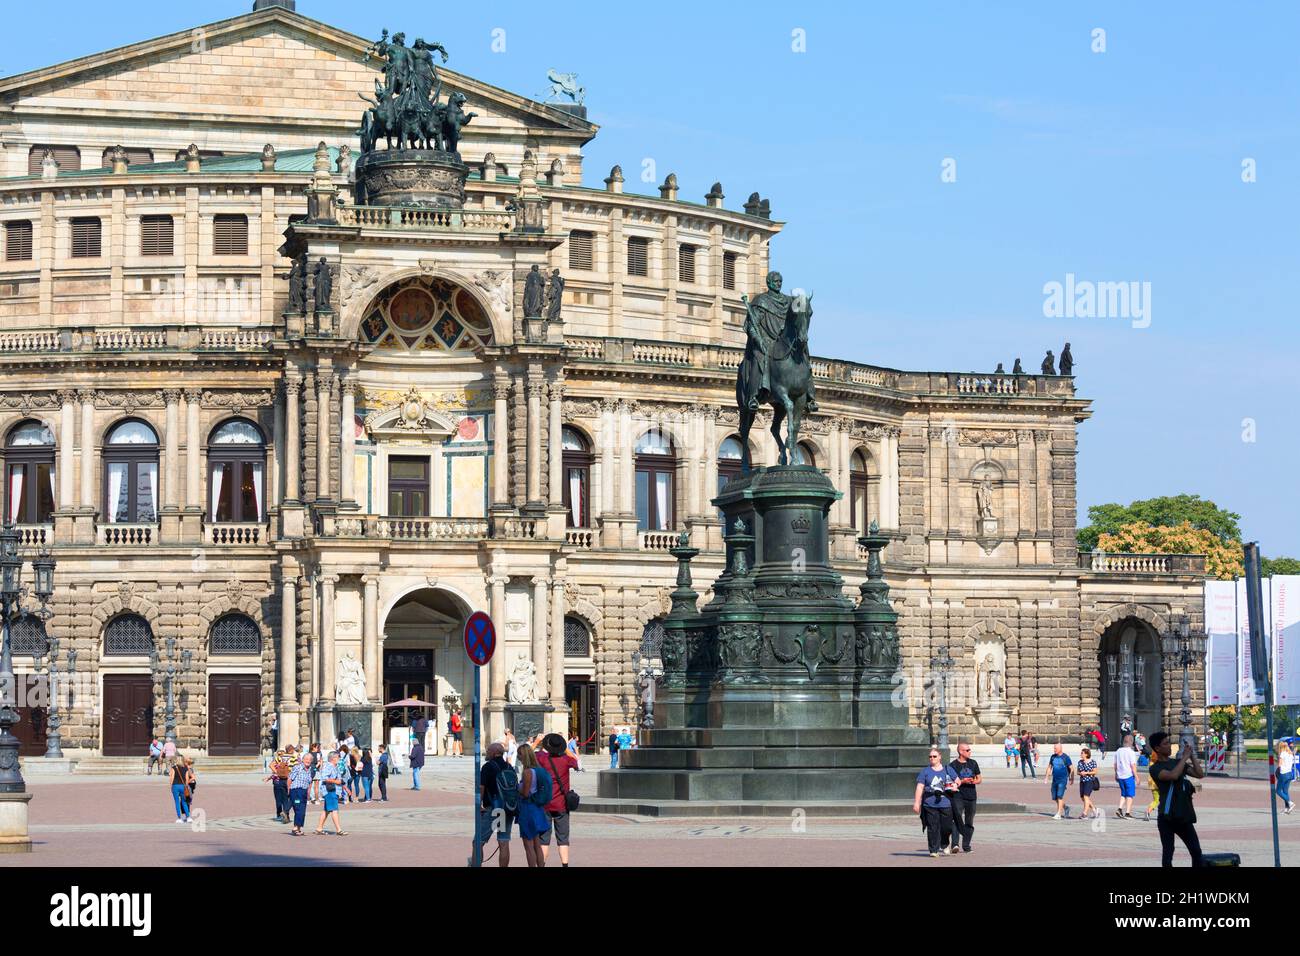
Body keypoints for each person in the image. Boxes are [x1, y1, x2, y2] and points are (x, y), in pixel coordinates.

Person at [1149, 731, 1205, 866]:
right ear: (1157, 748)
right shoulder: (1155, 768)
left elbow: (1199, 774)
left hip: (1183, 814)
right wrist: (1185, 758)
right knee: (1168, 852)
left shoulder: (1177, 762)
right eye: (1166, 744)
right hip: (1167, 817)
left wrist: (1191, 756)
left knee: (1196, 851)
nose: (1169, 746)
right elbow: (1172, 776)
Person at [538, 733, 579, 867]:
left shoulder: (542, 758)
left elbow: (529, 756)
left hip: (545, 804)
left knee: (543, 839)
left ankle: (541, 864)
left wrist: (538, 742)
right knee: (563, 839)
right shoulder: (566, 760)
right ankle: (565, 865)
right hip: (562, 804)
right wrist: (566, 748)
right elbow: (577, 761)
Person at [913, 746, 959, 857]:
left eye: (934, 756)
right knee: (933, 827)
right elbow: (920, 787)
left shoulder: (948, 769)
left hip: (945, 802)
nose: (932, 758)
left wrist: (955, 785)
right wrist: (916, 802)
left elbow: (957, 781)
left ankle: (944, 843)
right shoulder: (925, 771)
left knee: (946, 827)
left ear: (940, 757)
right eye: (930, 756)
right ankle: (933, 850)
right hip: (929, 803)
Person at [479, 741, 518, 866]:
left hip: (494, 809)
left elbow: (481, 787)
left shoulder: (488, 767)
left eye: (489, 751)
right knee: (503, 842)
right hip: (507, 808)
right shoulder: (509, 767)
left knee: (478, 842)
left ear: (494, 753)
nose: (487, 753)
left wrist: (479, 804)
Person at [515, 743, 552, 867]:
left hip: (527, 809)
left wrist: (516, 788)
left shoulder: (527, 772)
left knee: (528, 845)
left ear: (524, 755)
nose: (518, 757)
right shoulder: (539, 770)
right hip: (537, 809)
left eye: (519, 754)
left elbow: (525, 793)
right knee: (537, 844)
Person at [947, 741, 981, 854]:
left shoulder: (973, 763)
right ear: (961, 751)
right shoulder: (952, 765)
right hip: (958, 795)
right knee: (957, 820)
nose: (970, 752)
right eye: (967, 750)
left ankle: (966, 845)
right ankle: (955, 845)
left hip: (971, 796)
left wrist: (972, 781)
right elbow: (950, 782)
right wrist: (962, 781)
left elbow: (979, 779)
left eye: (969, 750)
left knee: (969, 821)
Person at [315, 751, 348, 836]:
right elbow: (325, 778)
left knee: (326, 810)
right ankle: (339, 830)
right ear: (333, 758)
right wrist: (336, 781)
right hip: (330, 790)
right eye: (338, 757)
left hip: (334, 790)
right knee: (334, 810)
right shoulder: (328, 766)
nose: (339, 759)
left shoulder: (335, 766)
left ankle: (319, 828)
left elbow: (340, 779)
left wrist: (346, 788)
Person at [1113, 733, 1139, 819]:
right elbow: (1133, 766)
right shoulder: (1131, 752)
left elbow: (1115, 764)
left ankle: (1120, 808)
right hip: (1128, 776)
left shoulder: (1118, 751)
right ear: (1131, 742)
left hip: (1120, 776)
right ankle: (1127, 813)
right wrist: (1137, 777)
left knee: (1123, 794)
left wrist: (1116, 774)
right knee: (1130, 795)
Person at [288, 752, 313, 836]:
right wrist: (288, 790)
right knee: (298, 808)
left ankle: (298, 828)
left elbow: (309, 782)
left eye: (310, 760)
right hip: (296, 791)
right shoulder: (297, 767)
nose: (308, 761)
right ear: (302, 760)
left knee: (302, 810)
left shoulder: (310, 770)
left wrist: (309, 793)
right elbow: (290, 779)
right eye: (306, 759)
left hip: (304, 792)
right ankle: (295, 828)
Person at [1046, 742, 1073, 818]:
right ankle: (1066, 808)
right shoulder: (1053, 757)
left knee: (1059, 796)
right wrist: (1046, 777)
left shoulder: (1065, 757)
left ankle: (1058, 814)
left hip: (1063, 779)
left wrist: (1071, 778)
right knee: (1055, 797)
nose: (1054, 750)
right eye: (1054, 748)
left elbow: (1071, 768)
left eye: (1056, 748)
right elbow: (1049, 767)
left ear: (1060, 749)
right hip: (1055, 779)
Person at [264, 747, 291, 823]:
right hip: (287, 780)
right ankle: (286, 814)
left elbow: (270, 765)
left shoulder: (278, 759)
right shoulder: (292, 759)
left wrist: (276, 772)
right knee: (286, 799)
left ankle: (279, 815)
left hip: (277, 781)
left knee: (278, 799)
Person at [169, 755, 193, 824]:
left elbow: (172, 778)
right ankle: (188, 817)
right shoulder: (185, 768)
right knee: (184, 802)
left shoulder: (173, 768)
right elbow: (187, 779)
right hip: (183, 786)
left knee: (177, 802)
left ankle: (179, 818)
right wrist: (186, 786)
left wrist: (171, 786)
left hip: (175, 786)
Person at [1077, 747, 1099, 819]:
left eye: (1082, 753)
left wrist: (1086, 772)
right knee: (1083, 798)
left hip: (1090, 781)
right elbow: (1077, 772)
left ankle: (1085, 813)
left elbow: (1095, 772)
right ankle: (1094, 809)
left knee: (1086, 796)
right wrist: (1081, 773)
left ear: (1086, 754)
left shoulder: (1092, 762)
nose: (1081, 754)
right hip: (1082, 781)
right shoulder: (1080, 762)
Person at [1275, 740, 1295, 814]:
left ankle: (1290, 803)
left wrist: (1277, 771)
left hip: (1283, 774)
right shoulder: (1290, 754)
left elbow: (1280, 765)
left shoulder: (1282, 754)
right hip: (1290, 774)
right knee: (1285, 791)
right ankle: (1287, 808)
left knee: (1278, 791)